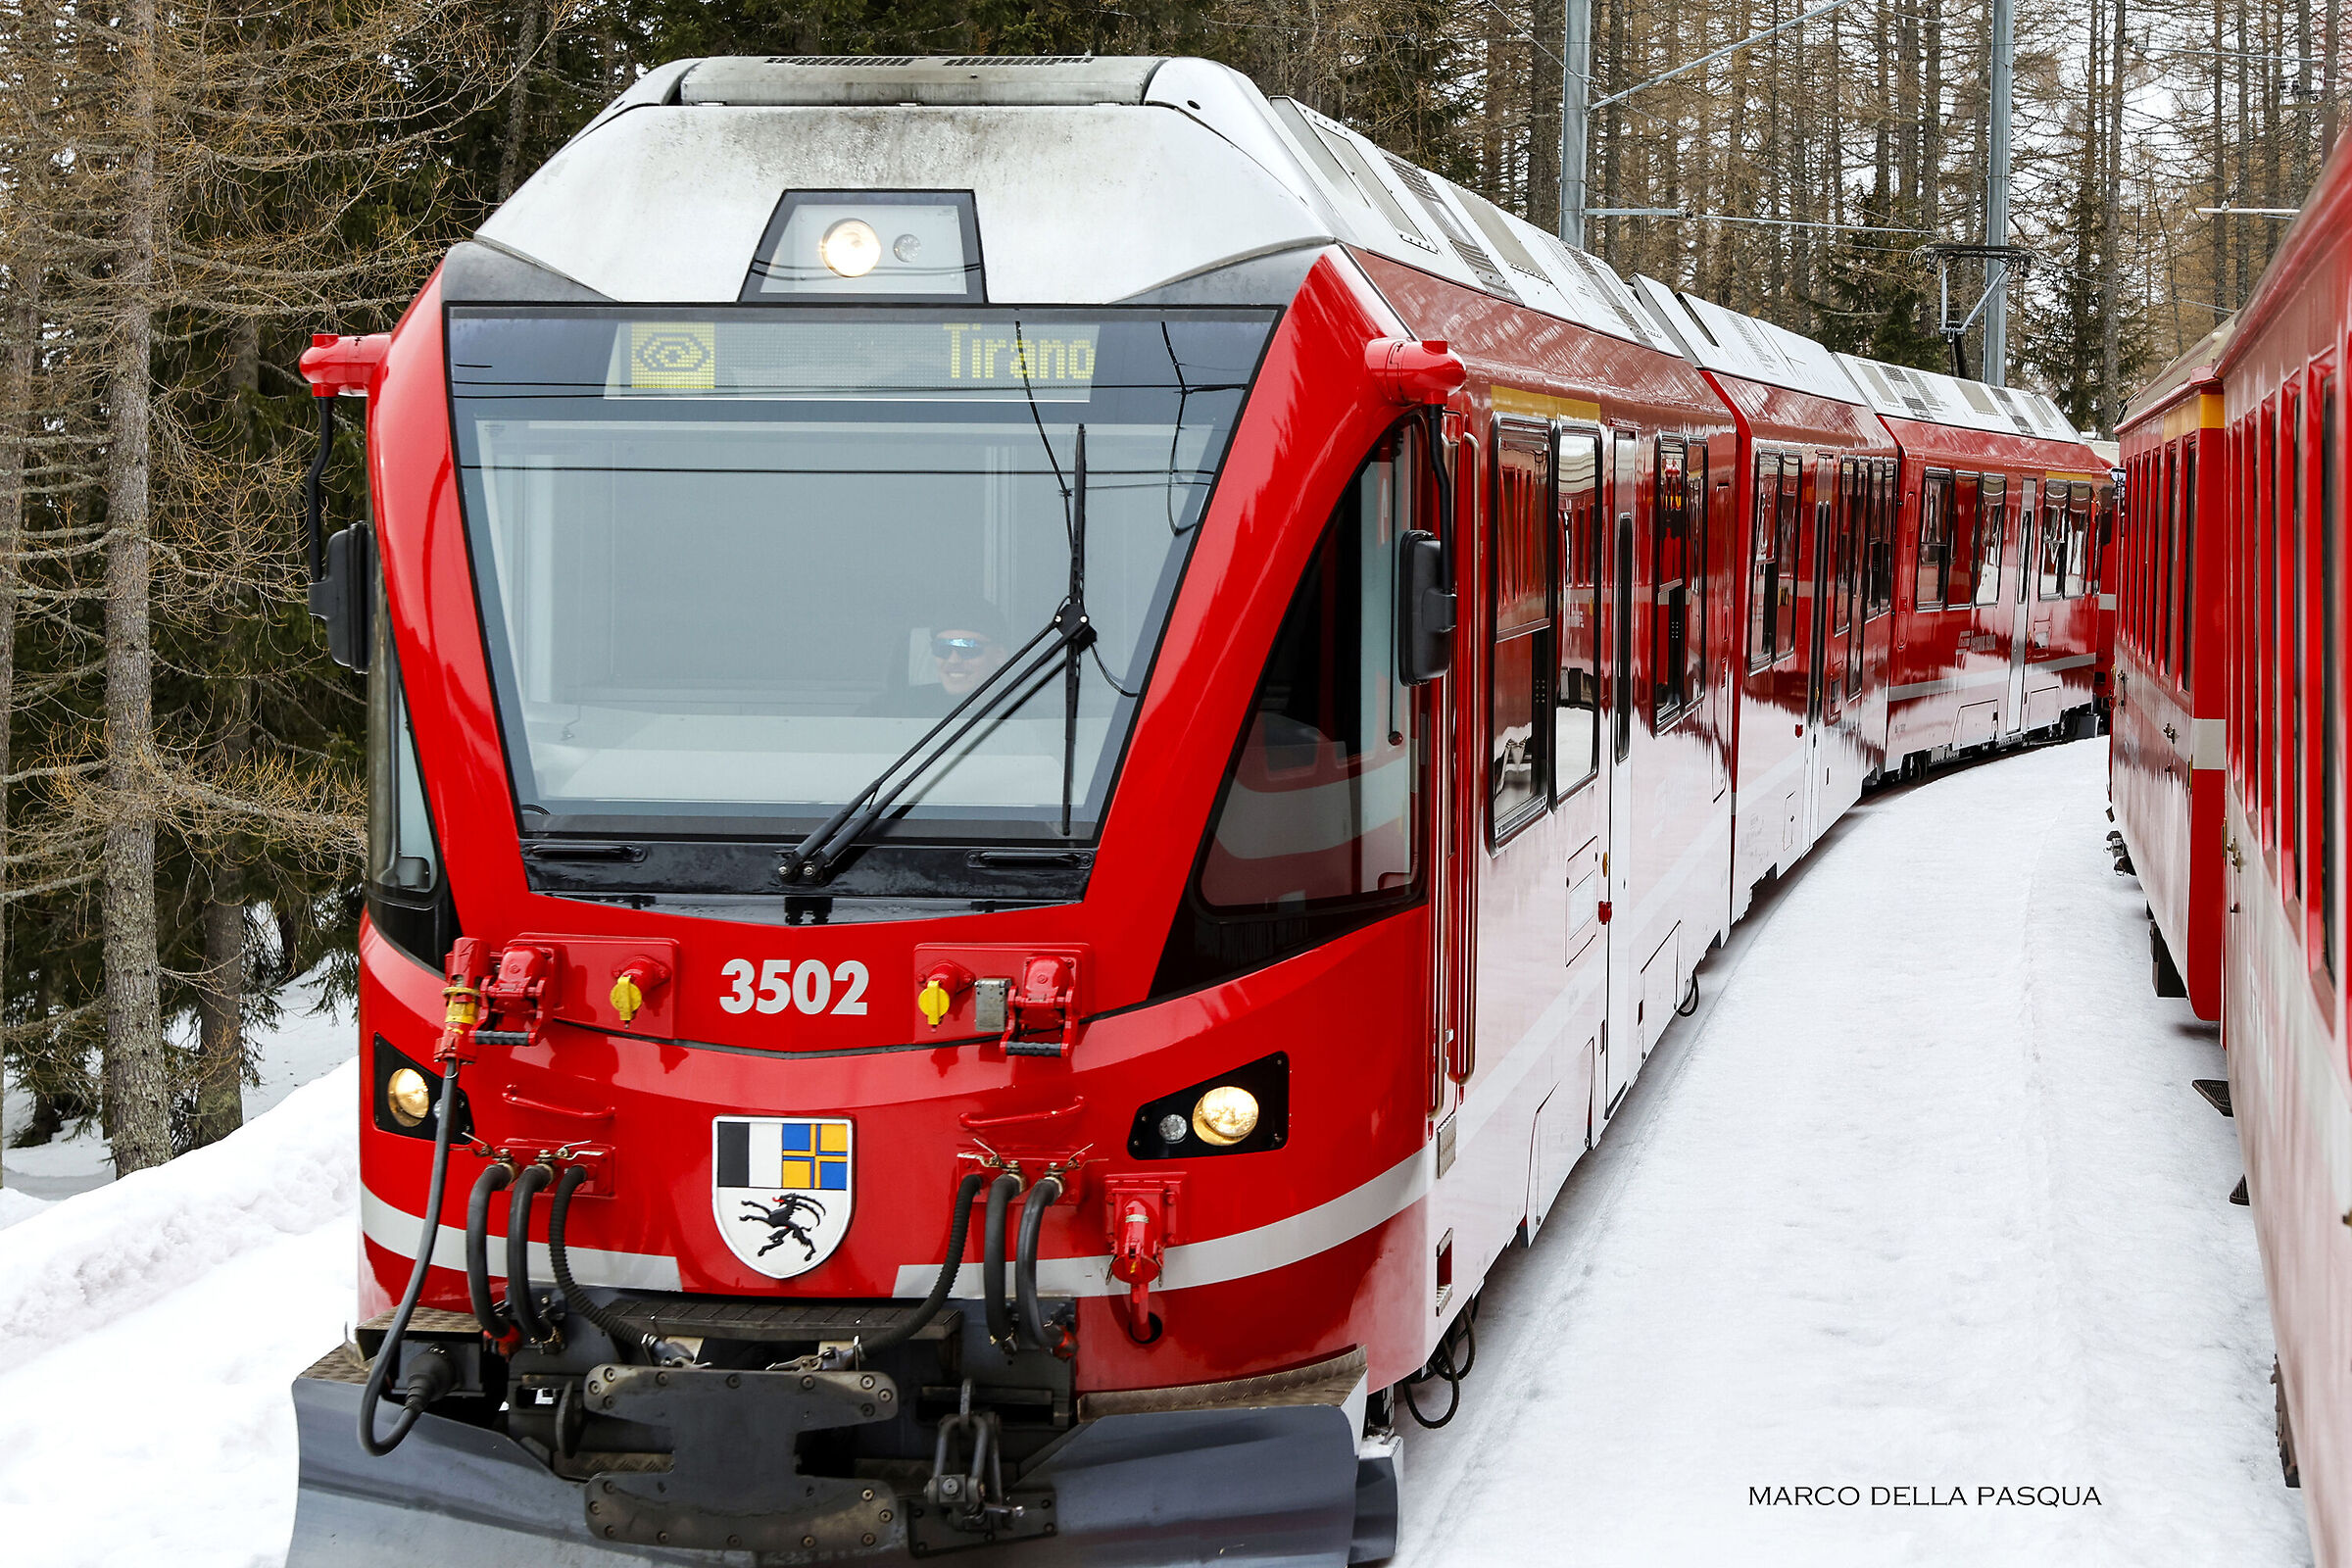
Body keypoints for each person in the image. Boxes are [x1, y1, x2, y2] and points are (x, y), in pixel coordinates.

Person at [863, 601, 1012, 716]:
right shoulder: (890, 711)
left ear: (999, 654)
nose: (953, 660)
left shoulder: (1023, 714)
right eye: (942, 648)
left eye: (967, 648)